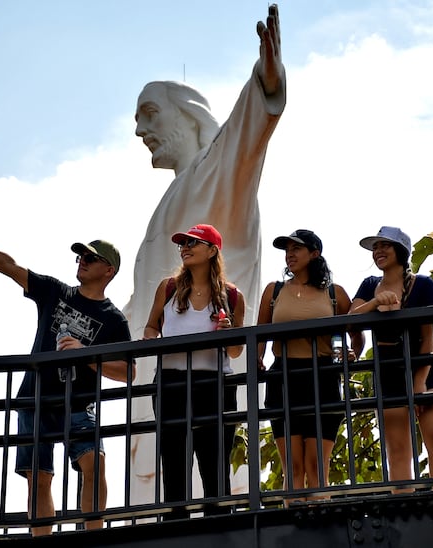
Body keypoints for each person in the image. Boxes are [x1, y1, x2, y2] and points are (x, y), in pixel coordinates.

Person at [127, 3, 287, 500]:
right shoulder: (178, 192)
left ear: (190, 117)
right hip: (159, 382)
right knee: (162, 492)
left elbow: (244, 137)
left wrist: (266, 83)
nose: (139, 131)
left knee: (211, 482)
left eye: (149, 113)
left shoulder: (215, 175)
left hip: (211, 377)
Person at [0, 216, 134, 536]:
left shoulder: (113, 320)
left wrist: (88, 356)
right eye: (80, 256)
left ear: (108, 270)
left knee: (94, 465)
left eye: (90, 257)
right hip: (36, 398)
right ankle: (42, 540)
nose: (81, 261)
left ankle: (96, 539)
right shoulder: (55, 291)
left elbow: (129, 372)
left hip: (79, 404)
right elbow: (7, 265)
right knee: (39, 477)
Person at [143, 224, 245, 519]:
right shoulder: (168, 287)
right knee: (174, 460)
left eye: (193, 243)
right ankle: (176, 523)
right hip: (171, 381)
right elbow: (152, 325)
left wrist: (229, 332)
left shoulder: (233, 295)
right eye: (183, 243)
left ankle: (219, 524)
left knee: (214, 460)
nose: (184, 247)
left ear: (212, 251)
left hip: (215, 383)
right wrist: (151, 337)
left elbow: (237, 351)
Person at [350, 226, 433, 495]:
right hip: (388, 371)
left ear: (401, 251)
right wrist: (375, 303)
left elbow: (429, 338)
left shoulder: (423, 284)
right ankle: (402, 506)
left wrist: (418, 383)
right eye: (375, 247)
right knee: (397, 449)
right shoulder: (370, 285)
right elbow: (350, 318)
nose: (378, 251)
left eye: (385, 245)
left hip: (424, 367)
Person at [256, 230, 351, 499]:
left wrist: (350, 350)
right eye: (287, 249)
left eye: (297, 248)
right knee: (293, 467)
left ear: (314, 253)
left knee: (317, 466)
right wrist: (257, 357)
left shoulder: (334, 293)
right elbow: (260, 332)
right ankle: (294, 529)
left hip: (323, 376)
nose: (290, 254)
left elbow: (354, 329)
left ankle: (322, 529)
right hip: (283, 376)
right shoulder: (274, 290)